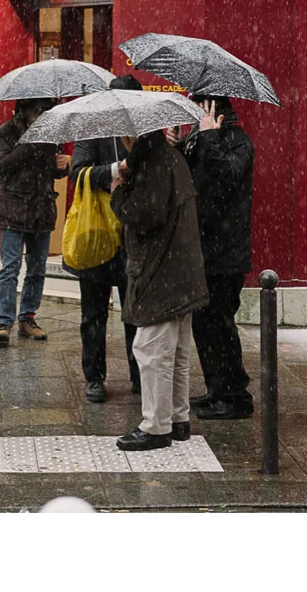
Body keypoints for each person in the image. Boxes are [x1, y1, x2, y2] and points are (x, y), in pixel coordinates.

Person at [110, 128, 209, 451]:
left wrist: (119, 192)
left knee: (150, 350)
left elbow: (144, 215)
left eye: (123, 132)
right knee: (176, 352)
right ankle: (177, 420)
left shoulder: (153, 162)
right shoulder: (170, 156)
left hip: (161, 271)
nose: (121, 138)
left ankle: (155, 426)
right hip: (181, 270)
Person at [168, 95, 255, 420]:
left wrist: (208, 138)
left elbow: (228, 178)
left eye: (198, 108)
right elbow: (192, 182)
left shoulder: (237, 140)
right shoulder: (200, 137)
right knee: (205, 326)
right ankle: (216, 389)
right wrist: (178, 148)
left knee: (221, 325)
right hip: (203, 249)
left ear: (212, 109)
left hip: (226, 253)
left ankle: (235, 396)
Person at [68, 74, 143, 402]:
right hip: (98, 233)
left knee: (136, 314)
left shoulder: (148, 132)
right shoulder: (93, 128)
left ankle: (140, 375)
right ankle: (94, 378)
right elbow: (78, 172)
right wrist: (115, 170)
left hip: (135, 235)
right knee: (93, 314)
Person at [0, 98, 70, 343]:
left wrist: (62, 166)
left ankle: (27, 318)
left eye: (44, 112)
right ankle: (4, 322)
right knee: (10, 268)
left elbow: (54, 171)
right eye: (37, 112)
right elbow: (2, 166)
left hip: (42, 210)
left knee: (37, 270)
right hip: (13, 210)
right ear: (23, 112)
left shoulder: (50, 134)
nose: (40, 117)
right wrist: (28, 143)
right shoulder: (5, 133)